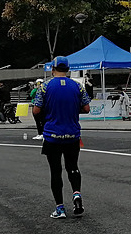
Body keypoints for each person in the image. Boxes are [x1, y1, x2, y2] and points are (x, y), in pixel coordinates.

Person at [33, 56, 91, 219]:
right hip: (72, 133)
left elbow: (36, 111)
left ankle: (60, 208)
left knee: (56, 170)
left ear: (53, 69)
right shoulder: (77, 86)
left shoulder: (45, 87)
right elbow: (86, 108)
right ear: (68, 69)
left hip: (52, 135)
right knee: (73, 166)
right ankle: (77, 194)